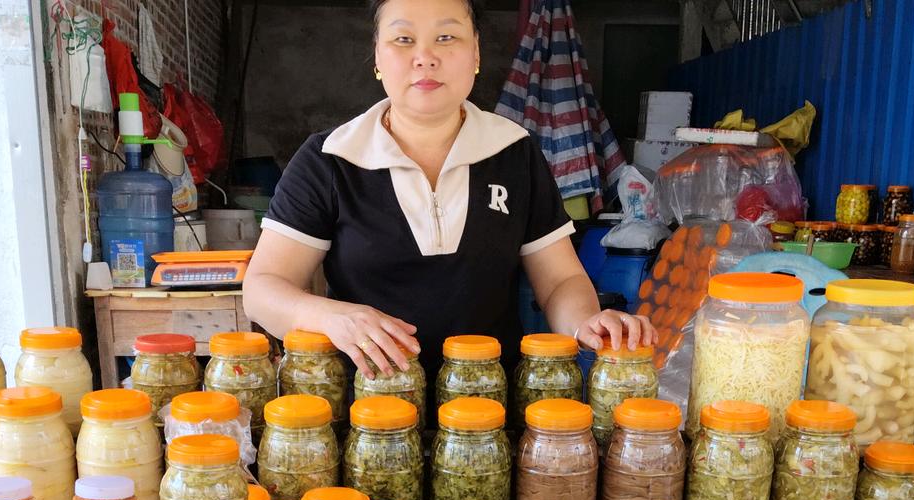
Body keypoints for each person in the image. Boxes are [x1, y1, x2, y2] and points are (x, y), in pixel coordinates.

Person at [243, 0, 653, 381]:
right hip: (366, 411)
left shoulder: (514, 153)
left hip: (489, 411)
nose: (426, 57)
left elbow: (561, 280)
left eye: (446, 37)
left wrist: (587, 322)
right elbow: (263, 289)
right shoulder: (330, 159)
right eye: (403, 39)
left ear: (475, 53)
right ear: (378, 58)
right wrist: (332, 317)